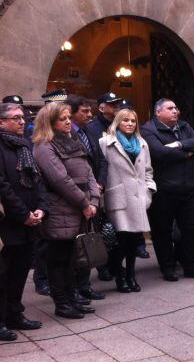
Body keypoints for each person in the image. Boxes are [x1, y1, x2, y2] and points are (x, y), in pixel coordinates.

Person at [32, 102, 100, 319]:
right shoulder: (44, 145)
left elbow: (88, 172)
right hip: (61, 208)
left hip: (81, 207)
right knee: (58, 259)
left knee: (72, 258)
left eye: (69, 117)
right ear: (50, 122)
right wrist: (84, 203)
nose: (69, 121)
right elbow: (60, 180)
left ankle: (72, 298)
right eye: (63, 119)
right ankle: (61, 303)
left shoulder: (73, 140)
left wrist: (94, 201)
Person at [141, 99, 194, 282]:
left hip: (190, 187)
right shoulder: (149, 130)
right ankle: (168, 267)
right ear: (158, 112)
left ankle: (191, 266)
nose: (175, 111)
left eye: (176, 107)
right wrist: (187, 153)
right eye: (170, 108)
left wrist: (179, 145)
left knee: (192, 228)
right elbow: (158, 153)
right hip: (165, 189)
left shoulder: (184, 126)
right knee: (162, 230)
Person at [0, 103, 46, 339]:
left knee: (19, 272)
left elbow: (36, 180)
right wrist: (23, 214)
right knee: (3, 273)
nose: (22, 121)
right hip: (8, 222)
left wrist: (40, 208)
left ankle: (14, 314)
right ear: (1, 122)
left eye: (23, 117)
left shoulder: (24, 146)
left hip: (29, 220)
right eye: (15, 118)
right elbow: (3, 188)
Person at [99, 108, 155, 292]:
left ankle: (131, 274)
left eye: (133, 120)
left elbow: (148, 170)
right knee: (119, 242)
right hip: (118, 198)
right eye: (125, 120)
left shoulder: (142, 143)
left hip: (138, 197)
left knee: (133, 242)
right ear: (117, 122)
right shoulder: (105, 142)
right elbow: (101, 170)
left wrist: (149, 190)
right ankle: (119, 276)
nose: (130, 124)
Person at [65, 95, 108, 301]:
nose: (90, 115)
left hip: (93, 194)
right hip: (75, 198)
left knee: (89, 241)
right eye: (84, 111)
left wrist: (99, 183)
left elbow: (101, 159)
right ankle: (72, 287)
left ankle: (85, 284)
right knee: (75, 246)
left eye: (90, 111)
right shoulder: (64, 135)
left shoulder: (89, 131)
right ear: (70, 113)